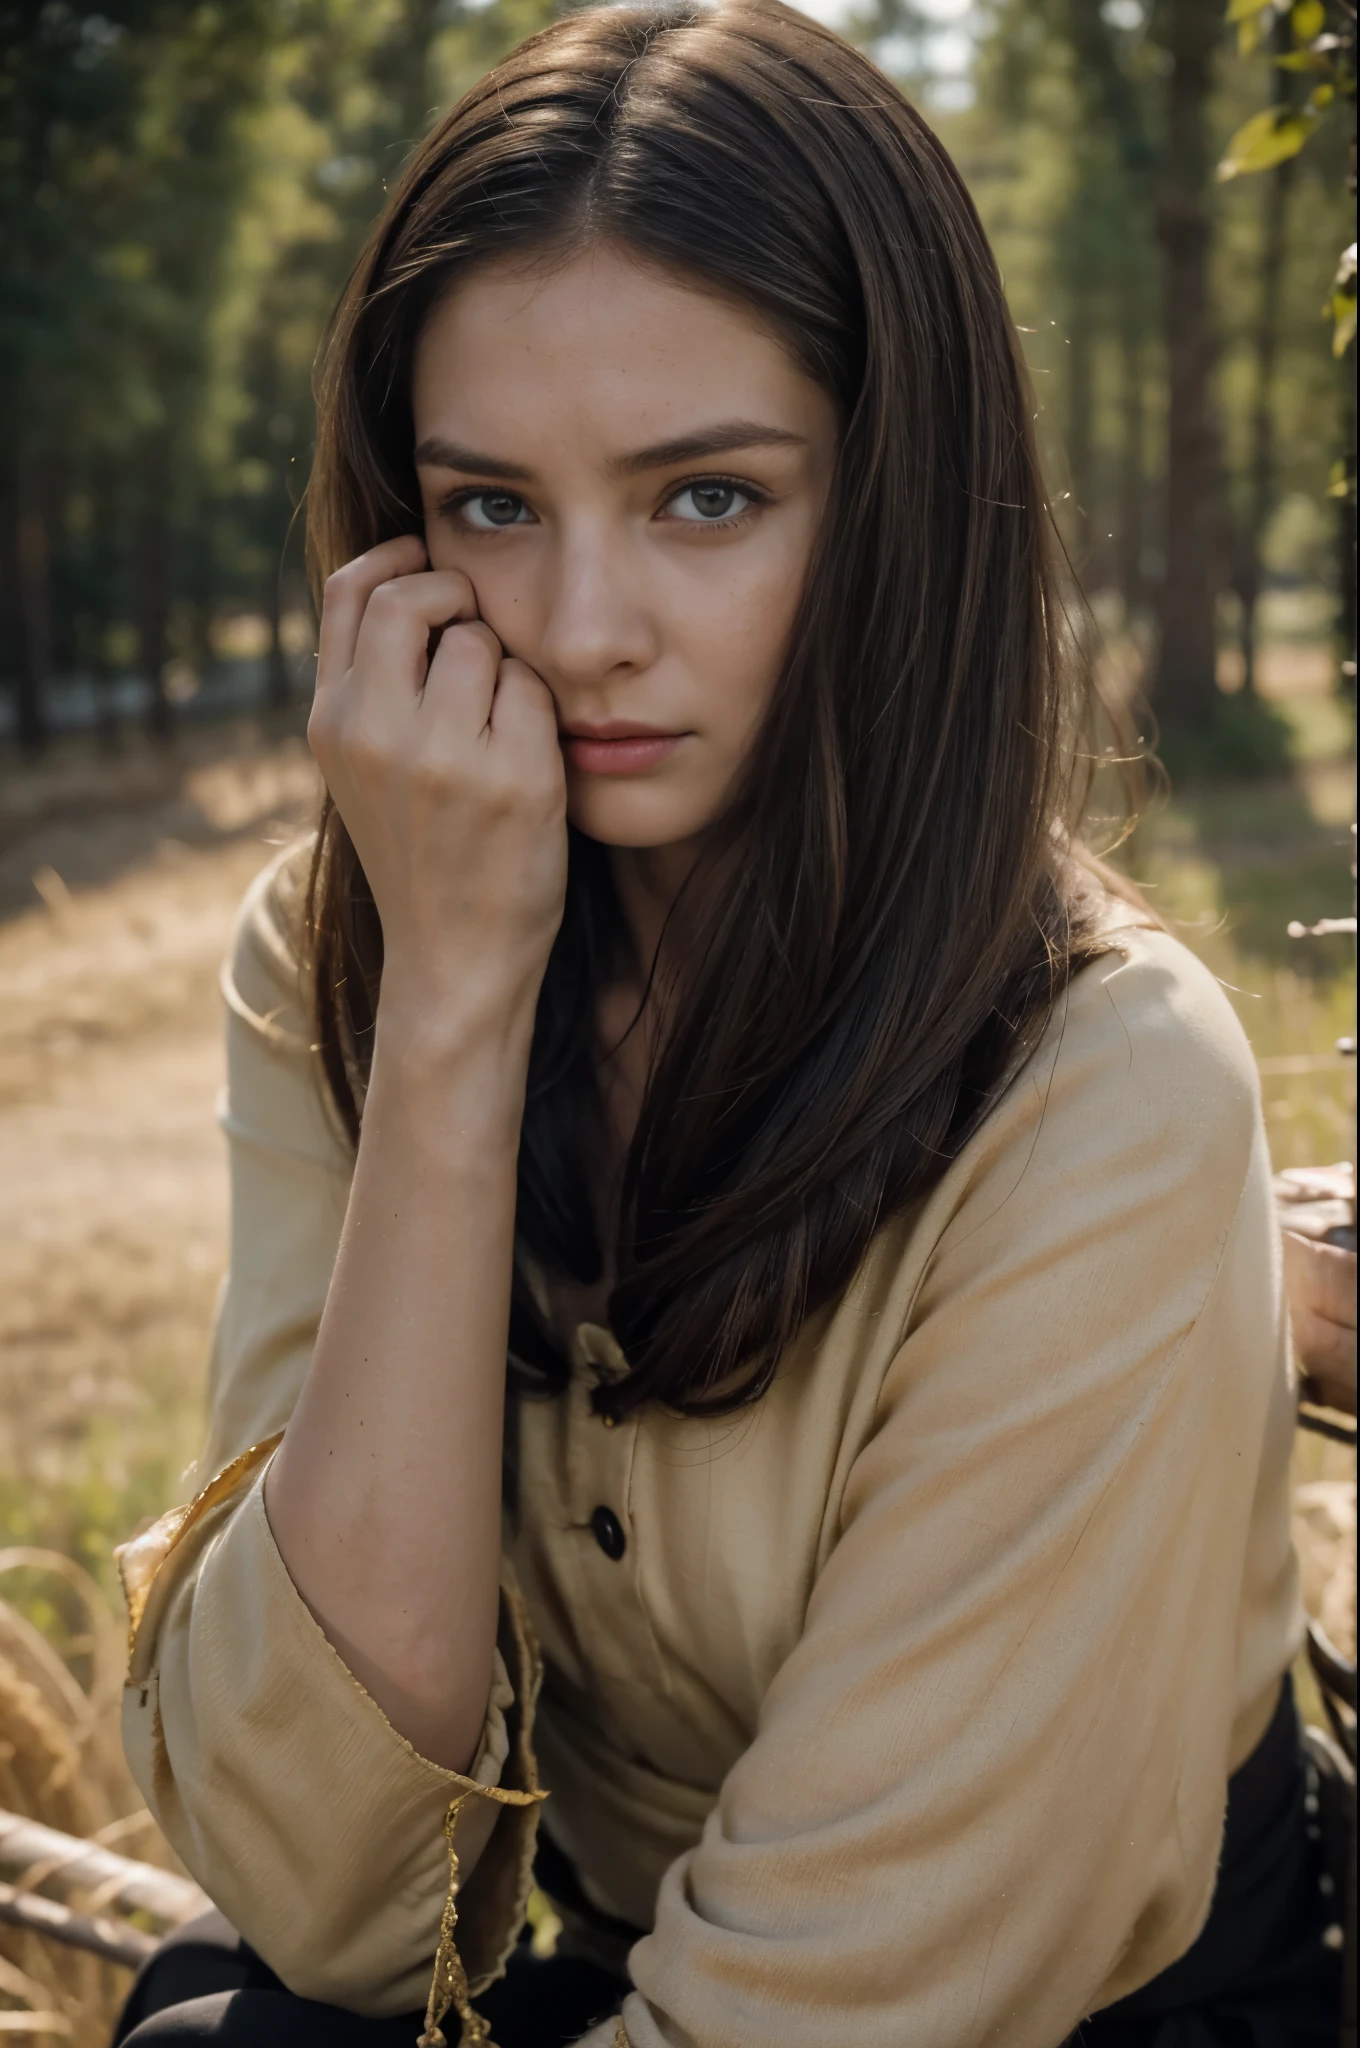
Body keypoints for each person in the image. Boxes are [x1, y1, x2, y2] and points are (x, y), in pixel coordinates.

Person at [112, 4, 1344, 2043]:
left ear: (893, 503)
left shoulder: (1102, 1091)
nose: (579, 624)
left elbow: (820, 2006)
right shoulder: (340, 953)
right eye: (489, 507)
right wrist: (449, 1027)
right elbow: (333, 1896)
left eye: (703, 499)